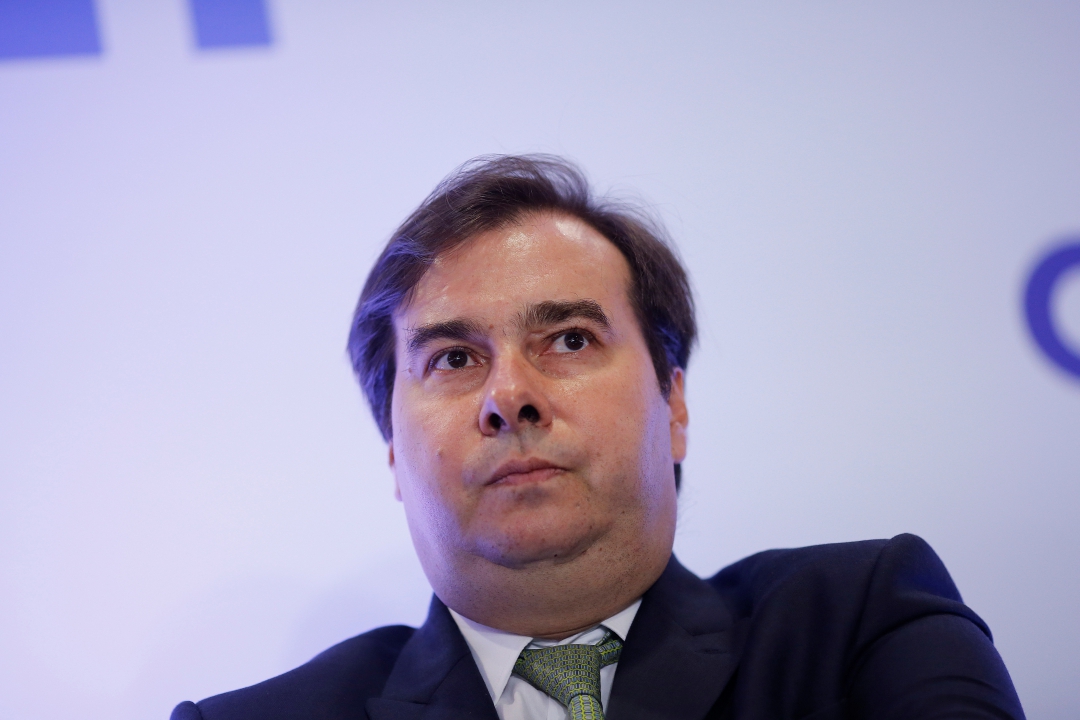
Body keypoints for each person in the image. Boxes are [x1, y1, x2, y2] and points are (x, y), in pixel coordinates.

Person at [171, 155, 1024, 720]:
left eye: (570, 340)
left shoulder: (858, 626)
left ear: (674, 404)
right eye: (455, 358)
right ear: (392, 452)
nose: (509, 397)